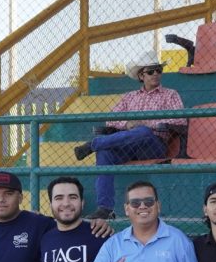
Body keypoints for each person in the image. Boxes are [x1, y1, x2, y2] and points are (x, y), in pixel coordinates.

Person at [73, 55, 185, 219]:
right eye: (151, 71)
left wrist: (148, 123)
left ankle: (93, 144)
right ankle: (105, 209)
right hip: (128, 146)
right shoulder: (129, 97)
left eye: (159, 70)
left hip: (154, 145)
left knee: (144, 131)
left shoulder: (170, 94)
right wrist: (127, 124)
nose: (156, 74)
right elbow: (111, 118)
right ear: (141, 76)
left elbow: (180, 120)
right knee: (104, 153)